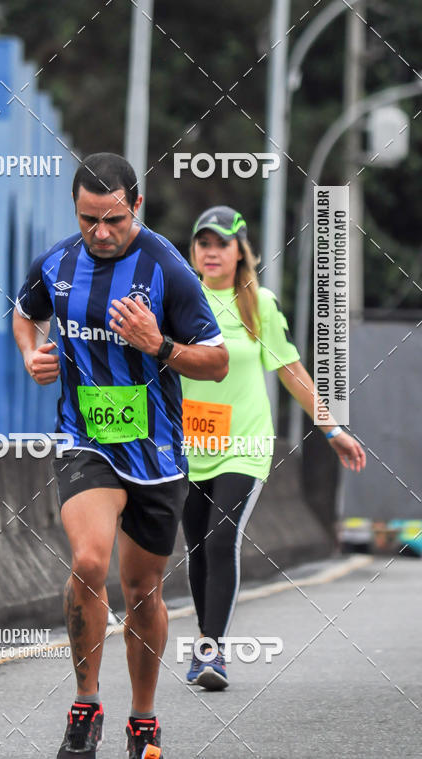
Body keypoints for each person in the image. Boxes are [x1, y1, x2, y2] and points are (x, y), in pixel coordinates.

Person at [12, 154, 229, 758]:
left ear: (137, 205)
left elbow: (216, 362)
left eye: (113, 219)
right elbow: (25, 315)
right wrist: (32, 355)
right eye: (89, 220)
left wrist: (159, 345)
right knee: (88, 560)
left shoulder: (167, 269)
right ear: (75, 210)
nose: (101, 232)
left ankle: (143, 718)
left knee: (142, 590)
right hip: (85, 439)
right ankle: (85, 705)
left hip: (156, 452)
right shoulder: (56, 264)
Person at [180, 205, 366, 690]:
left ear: (240, 251)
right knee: (196, 547)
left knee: (220, 539)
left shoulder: (258, 304)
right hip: (189, 444)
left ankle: (212, 653)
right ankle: (204, 639)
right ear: (194, 251)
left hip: (244, 442)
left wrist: (332, 430)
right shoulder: (180, 298)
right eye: (203, 243)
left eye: (222, 243)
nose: (211, 252)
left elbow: (291, 371)